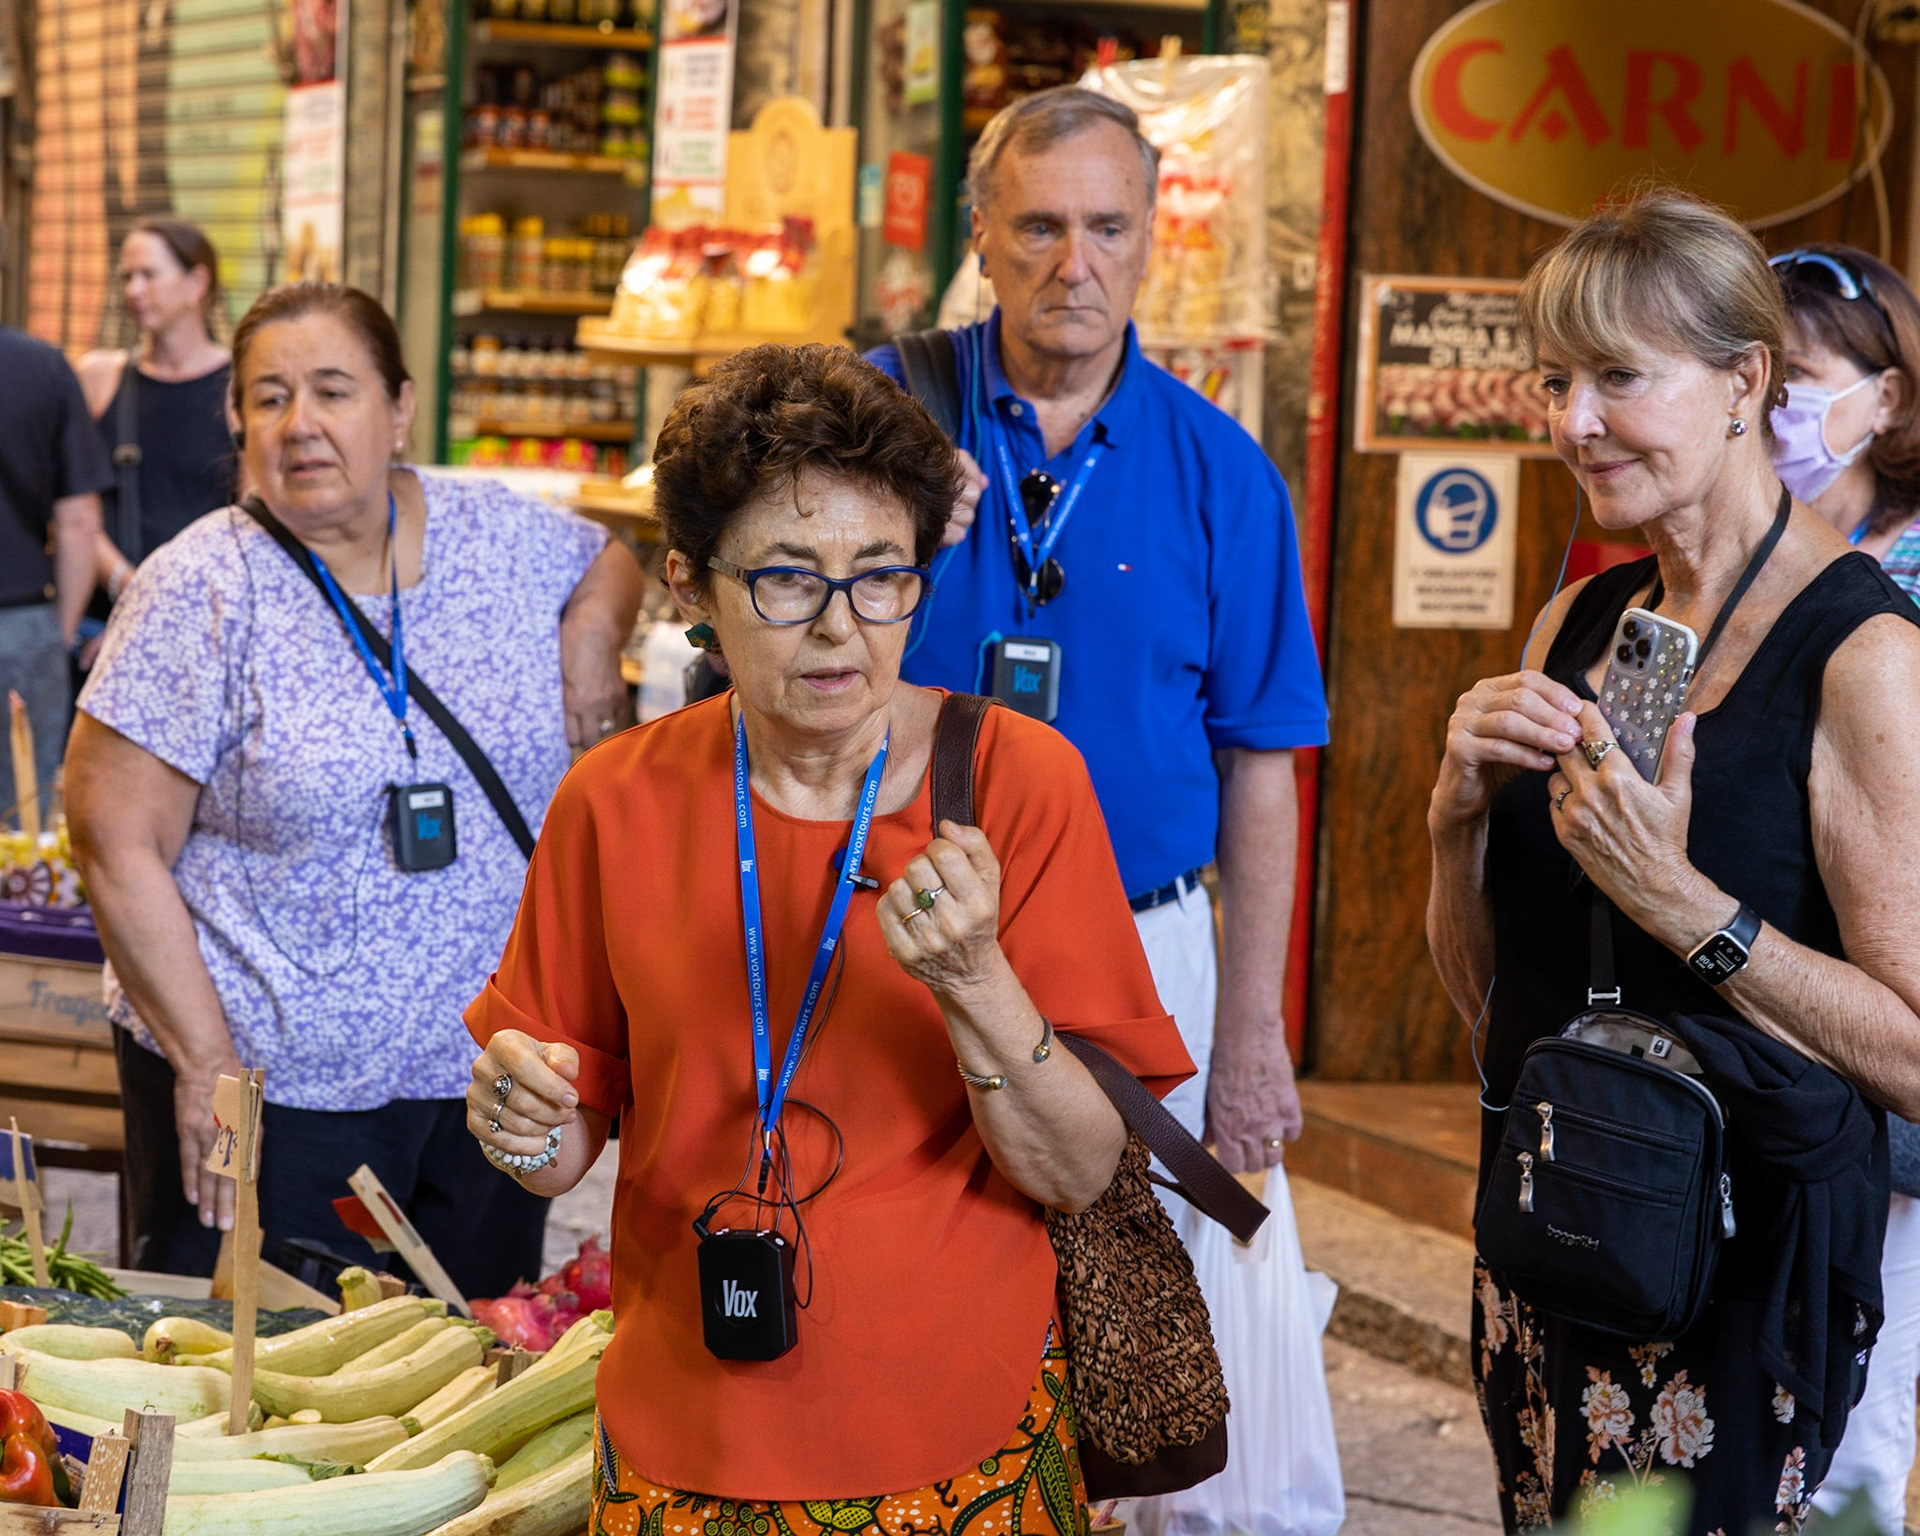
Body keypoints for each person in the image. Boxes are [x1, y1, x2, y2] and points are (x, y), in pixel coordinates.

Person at [465, 342, 1193, 1529]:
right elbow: (556, 1154)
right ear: (690, 588)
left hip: (967, 1439)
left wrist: (976, 978)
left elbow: (1079, 1169)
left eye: (879, 577)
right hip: (682, 1432)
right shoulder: (614, 800)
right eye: (787, 580)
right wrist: (514, 1112)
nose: (839, 628)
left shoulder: (1018, 783)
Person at [864, 87, 1334, 1532]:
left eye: (1110, 228)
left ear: (1149, 245)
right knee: (905, 1287)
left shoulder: (1221, 474)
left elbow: (1264, 763)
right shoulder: (880, 412)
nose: (1077, 263)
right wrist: (876, 512)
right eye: (1044, 226)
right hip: (900, 953)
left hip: (1147, 954)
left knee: (1163, 1323)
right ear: (983, 240)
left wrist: (1251, 1032)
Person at [1429, 190, 1920, 1533]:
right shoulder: (1583, 615)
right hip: (1555, 1232)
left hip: (1738, 1284)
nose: (1571, 421)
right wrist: (1455, 818)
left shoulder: (1864, 659)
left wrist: (1683, 905)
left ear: (1742, 382)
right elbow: (1491, 1010)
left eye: (1617, 378)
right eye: (1557, 380)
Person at [64, 282, 642, 1294]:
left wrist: (593, 636)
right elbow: (114, 841)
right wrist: (204, 1067)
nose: (302, 425)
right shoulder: (201, 588)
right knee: (266, 1394)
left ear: (400, 407)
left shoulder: (496, 535)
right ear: (239, 419)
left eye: (333, 390)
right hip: (279, 1103)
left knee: (469, 1373)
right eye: (270, 397)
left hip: (487, 1083)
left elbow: (611, 558)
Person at [1773, 245, 1920, 1533]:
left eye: (1800, 379)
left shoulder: (1903, 585)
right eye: (1751, 373)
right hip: (1760, 1040)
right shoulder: (1741, 560)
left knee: (1862, 1399)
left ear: (1885, 398)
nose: (1772, 410)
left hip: (1884, 1051)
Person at [76, 218, 237, 599]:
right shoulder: (101, 378)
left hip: (206, 610)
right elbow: (71, 511)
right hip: (108, 616)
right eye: (126, 277)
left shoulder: (240, 387)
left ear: (197, 283)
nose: (133, 290)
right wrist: (129, 589)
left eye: (149, 274)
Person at [0, 326, 111, 820]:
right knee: (21, 826)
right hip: (21, 624)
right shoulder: (42, 367)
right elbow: (78, 523)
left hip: (24, 623)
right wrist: (55, 632)